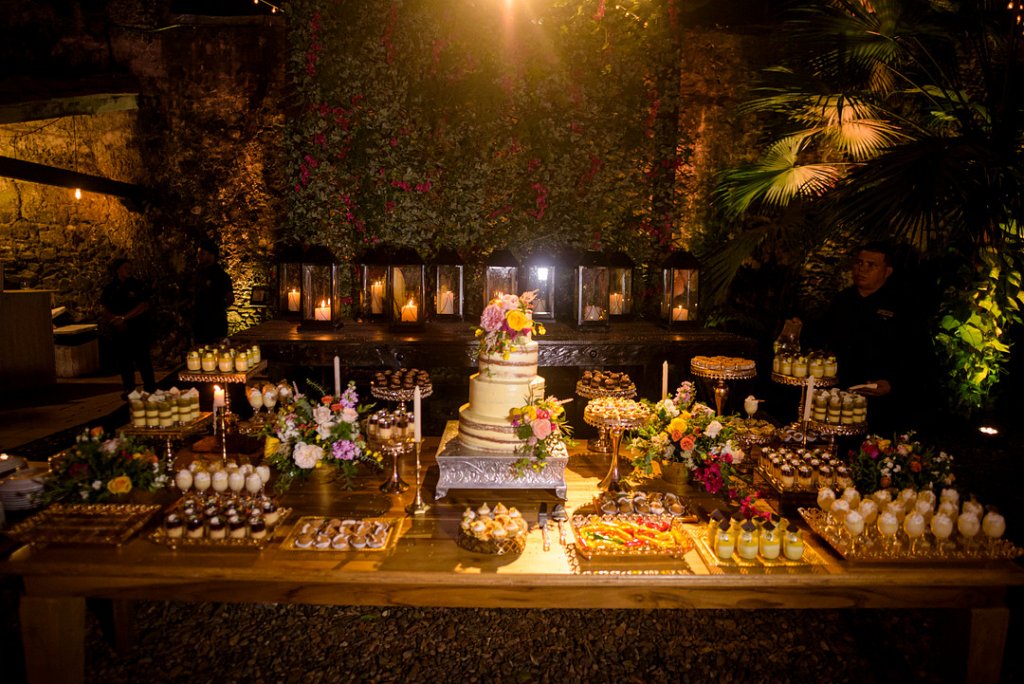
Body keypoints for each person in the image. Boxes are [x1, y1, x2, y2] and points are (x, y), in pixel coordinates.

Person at [817, 242, 922, 434]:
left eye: (871, 265)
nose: (862, 269)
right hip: (839, 393)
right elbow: (823, 336)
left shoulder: (901, 306)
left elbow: (915, 353)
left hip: (879, 399)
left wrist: (892, 383)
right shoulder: (843, 300)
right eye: (859, 263)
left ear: (887, 271)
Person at [101, 257, 157, 395]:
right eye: (126, 267)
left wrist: (125, 318)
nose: (129, 270)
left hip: (137, 329)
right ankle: (129, 388)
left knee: (143, 359)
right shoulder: (110, 288)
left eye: (130, 267)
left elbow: (143, 305)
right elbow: (103, 307)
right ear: (118, 270)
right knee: (124, 360)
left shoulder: (137, 285)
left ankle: (150, 387)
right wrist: (114, 320)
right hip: (120, 330)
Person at [192, 238, 234, 345]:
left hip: (215, 325)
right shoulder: (198, 273)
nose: (199, 256)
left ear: (211, 255)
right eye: (199, 253)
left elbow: (230, 298)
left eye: (202, 253)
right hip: (199, 324)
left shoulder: (220, 276)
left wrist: (216, 309)